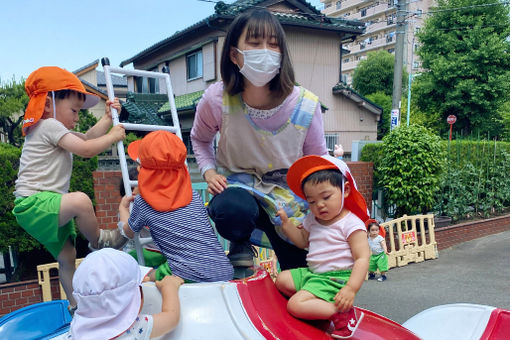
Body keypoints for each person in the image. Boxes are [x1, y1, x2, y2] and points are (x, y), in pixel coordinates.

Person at [190, 8, 328, 272]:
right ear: (234, 54)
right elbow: (199, 138)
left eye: (273, 45)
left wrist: (320, 212)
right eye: (254, 43)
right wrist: (208, 172)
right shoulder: (216, 99)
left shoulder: (306, 105)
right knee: (230, 206)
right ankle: (239, 242)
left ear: (282, 54)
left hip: (288, 198)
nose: (265, 51)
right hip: (241, 191)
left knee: (299, 276)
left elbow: (317, 166)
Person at [12, 66, 127, 313]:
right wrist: (113, 136)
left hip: (41, 205)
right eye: (74, 110)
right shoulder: (48, 126)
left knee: (67, 257)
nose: (77, 116)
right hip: (34, 202)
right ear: (48, 105)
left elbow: (85, 139)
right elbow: (87, 150)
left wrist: (107, 119)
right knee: (82, 201)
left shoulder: (51, 130)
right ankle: (99, 240)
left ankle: (76, 307)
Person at [118, 130, 234, 282]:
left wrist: (123, 209)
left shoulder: (143, 203)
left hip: (186, 274)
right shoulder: (193, 196)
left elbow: (128, 233)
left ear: (142, 170)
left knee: (145, 277)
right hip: (224, 269)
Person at [275, 155, 370, 339]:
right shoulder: (312, 219)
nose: (319, 205)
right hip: (314, 274)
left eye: (326, 197)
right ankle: (319, 310)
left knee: (294, 305)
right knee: (282, 279)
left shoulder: (351, 224)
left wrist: (350, 289)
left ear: (346, 190)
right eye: (311, 201)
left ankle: (341, 313)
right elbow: (303, 241)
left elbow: (362, 258)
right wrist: (286, 225)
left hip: (335, 279)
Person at [65, 248, 183, 339]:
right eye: (139, 287)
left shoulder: (75, 329)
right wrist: (169, 288)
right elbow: (171, 318)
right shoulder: (136, 328)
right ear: (128, 301)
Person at [119, 164, 167, 269]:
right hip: (148, 252)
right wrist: (123, 208)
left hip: (164, 252)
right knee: (127, 258)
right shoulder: (135, 207)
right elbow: (127, 232)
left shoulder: (159, 201)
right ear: (131, 192)